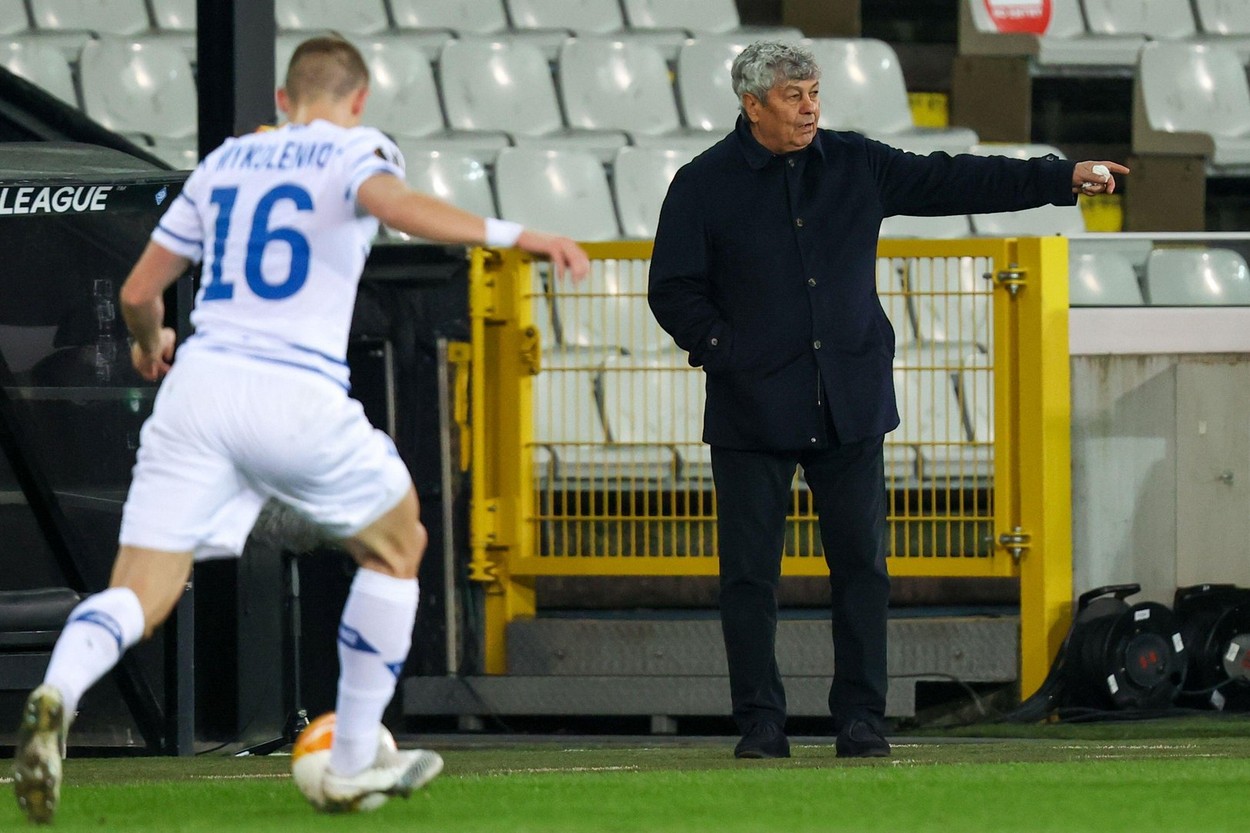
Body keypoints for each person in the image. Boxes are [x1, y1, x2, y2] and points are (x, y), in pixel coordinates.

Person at [13, 35, 589, 822]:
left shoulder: (220, 165)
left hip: (200, 390)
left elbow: (141, 289)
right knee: (397, 544)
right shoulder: (356, 150)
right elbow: (392, 206)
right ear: (357, 101)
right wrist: (514, 234)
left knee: (139, 592)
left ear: (282, 101)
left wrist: (150, 346)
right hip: (294, 391)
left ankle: (58, 693)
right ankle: (352, 759)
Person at [647, 41, 1125, 760]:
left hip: (852, 401)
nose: (810, 107)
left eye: (814, 92)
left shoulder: (856, 163)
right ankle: (760, 723)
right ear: (752, 105)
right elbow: (671, 288)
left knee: (863, 570)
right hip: (751, 409)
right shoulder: (702, 183)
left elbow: (956, 179)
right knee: (750, 576)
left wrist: (1064, 176)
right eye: (794, 96)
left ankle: (862, 720)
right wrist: (725, 350)